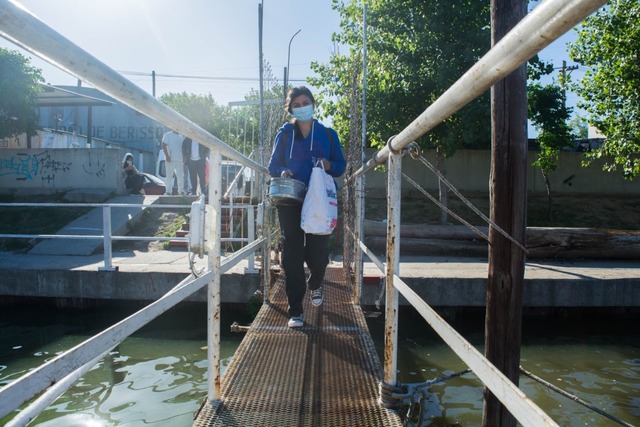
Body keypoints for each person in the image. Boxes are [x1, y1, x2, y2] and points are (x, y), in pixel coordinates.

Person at [268, 86, 346, 329]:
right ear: (291, 109)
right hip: (291, 198)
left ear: (313, 104)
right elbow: (273, 165)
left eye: (306, 102)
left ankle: (316, 282)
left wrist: (328, 163)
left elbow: (341, 166)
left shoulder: (329, 135)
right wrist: (283, 170)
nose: (302, 108)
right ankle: (296, 311)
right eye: (297, 105)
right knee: (292, 253)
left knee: (318, 252)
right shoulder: (285, 134)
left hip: (319, 199)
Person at [161, 129, 185, 195]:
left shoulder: (181, 136)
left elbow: (182, 148)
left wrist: (183, 158)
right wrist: (167, 156)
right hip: (170, 159)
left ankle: (181, 191)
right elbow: (164, 145)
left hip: (179, 160)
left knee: (181, 176)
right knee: (169, 176)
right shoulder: (167, 135)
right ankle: (168, 191)